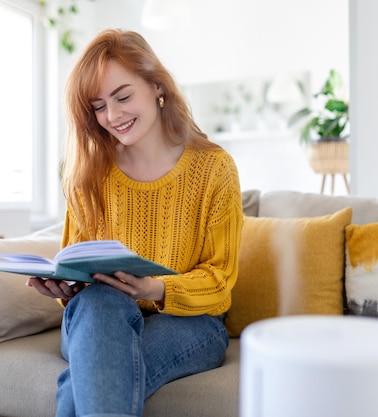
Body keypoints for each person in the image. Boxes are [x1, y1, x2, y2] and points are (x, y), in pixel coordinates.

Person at [27, 28, 243, 417]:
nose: (112, 116)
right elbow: (76, 262)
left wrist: (154, 287)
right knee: (99, 308)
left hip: (189, 322)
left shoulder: (214, 169)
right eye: (98, 106)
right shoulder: (89, 175)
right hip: (98, 313)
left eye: (123, 96)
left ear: (157, 86)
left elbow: (220, 279)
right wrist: (65, 286)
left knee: (90, 379)